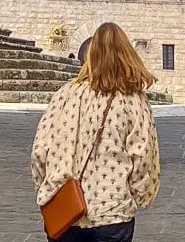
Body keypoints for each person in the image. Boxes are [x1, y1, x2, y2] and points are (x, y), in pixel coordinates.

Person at [31, 23, 160, 241]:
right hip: (111, 210)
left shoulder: (65, 94)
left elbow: (40, 150)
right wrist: (140, 194)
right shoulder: (133, 100)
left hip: (65, 211)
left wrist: (47, 188)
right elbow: (143, 155)